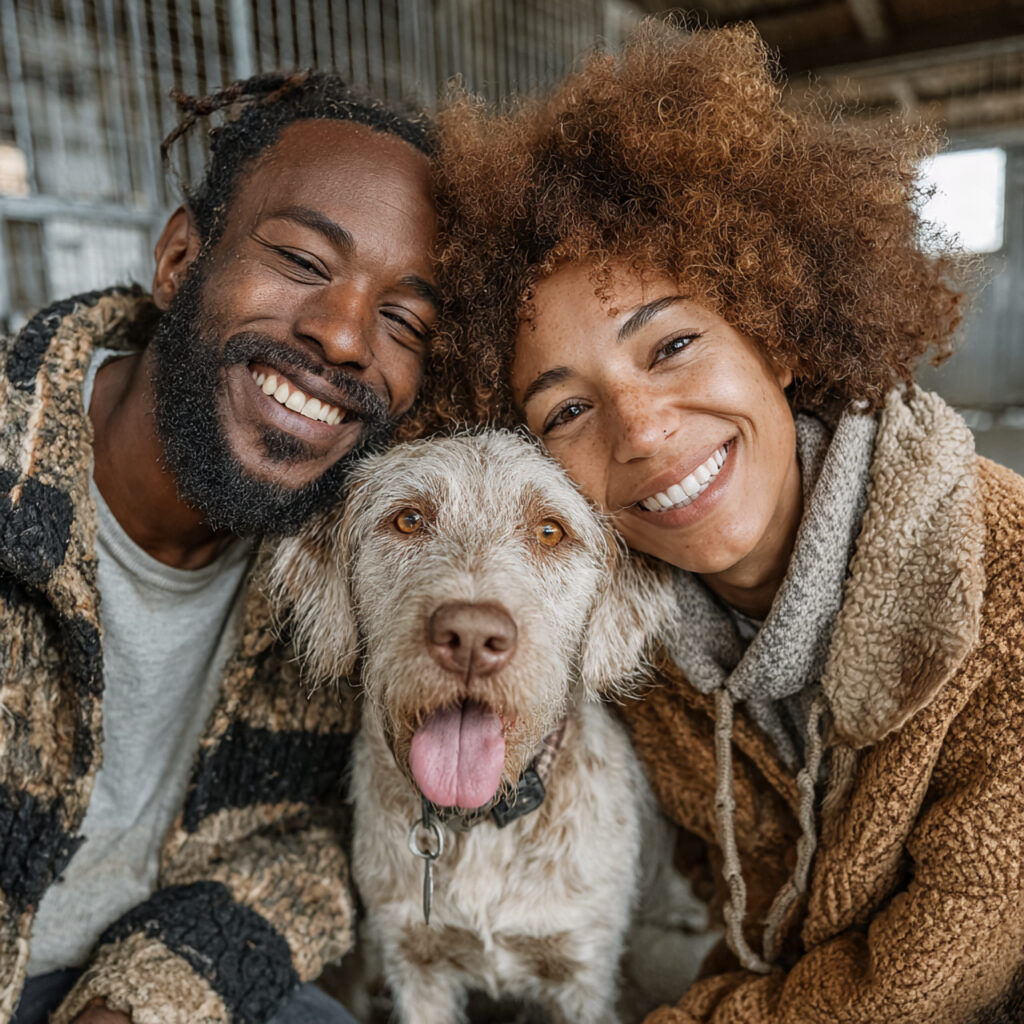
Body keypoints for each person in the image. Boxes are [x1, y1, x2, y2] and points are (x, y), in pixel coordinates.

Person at [426, 21, 1024, 1023]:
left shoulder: (1005, 577)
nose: (643, 428)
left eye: (671, 346)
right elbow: (725, 879)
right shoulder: (643, 646)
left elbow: (931, 974)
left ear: (777, 336)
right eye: (566, 409)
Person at [0, 71, 438, 1024]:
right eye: (302, 261)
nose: (344, 335)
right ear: (178, 259)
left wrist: (142, 1000)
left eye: (404, 320)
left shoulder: (337, 566)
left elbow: (317, 839)